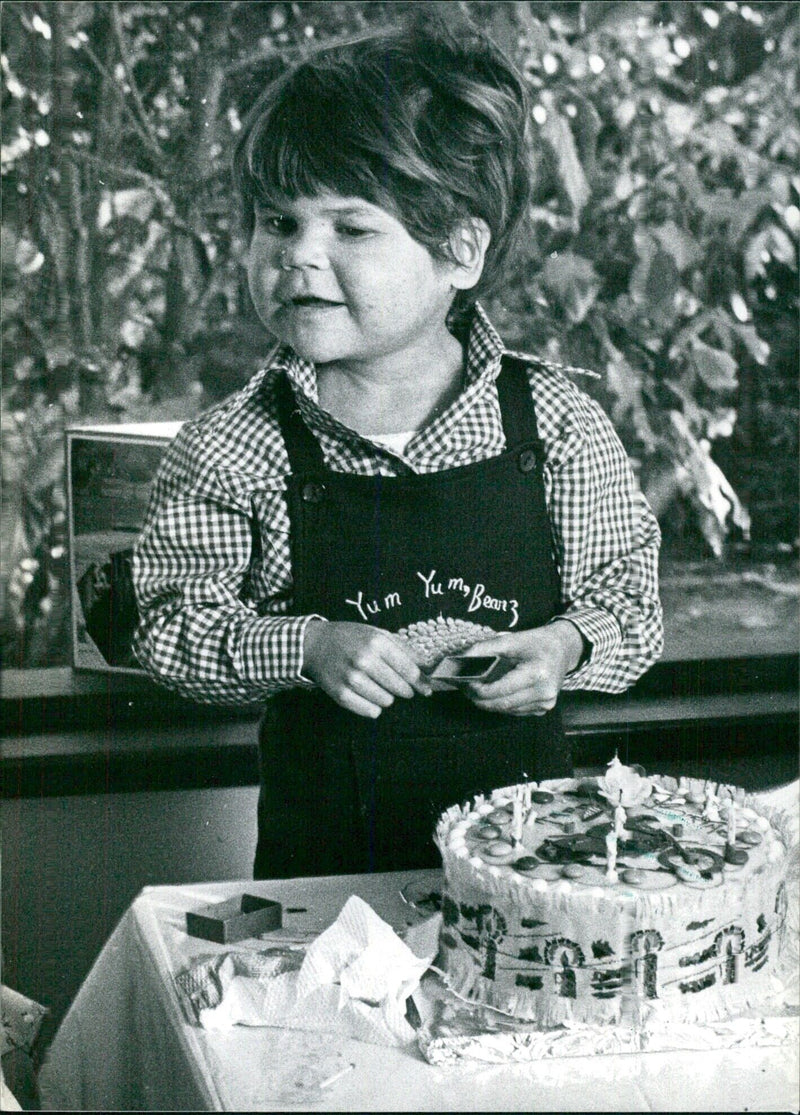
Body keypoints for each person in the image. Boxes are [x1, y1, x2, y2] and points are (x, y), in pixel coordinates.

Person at [132, 18, 663, 879]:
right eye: (278, 220)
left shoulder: (556, 424)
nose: (299, 255)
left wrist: (562, 649)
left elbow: (632, 605)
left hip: (525, 882)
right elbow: (167, 629)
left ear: (458, 250)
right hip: (324, 886)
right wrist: (302, 646)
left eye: (351, 228)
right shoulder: (232, 446)